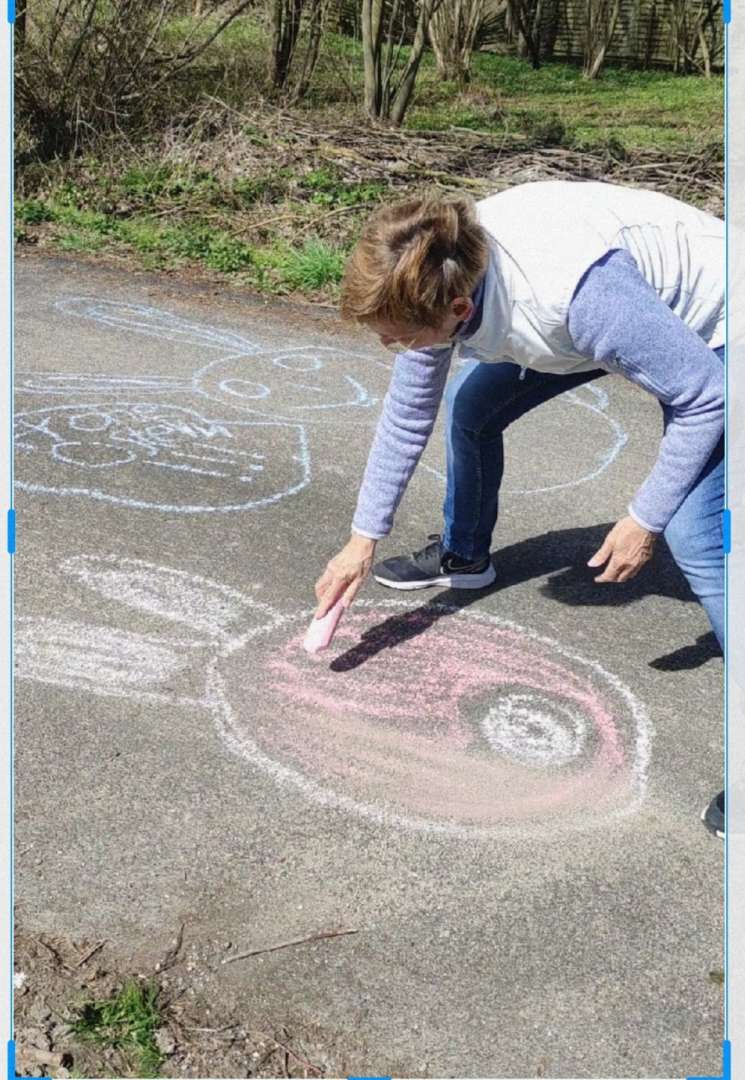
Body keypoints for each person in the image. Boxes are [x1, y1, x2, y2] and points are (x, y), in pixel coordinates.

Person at [312, 180, 725, 838]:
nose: (390, 348)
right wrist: (361, 538)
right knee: (474, 409)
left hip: (711, 327)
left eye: (397, 338)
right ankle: (463, 557)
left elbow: (704, 392)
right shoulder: (443, 272)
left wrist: (644, 516)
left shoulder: (576, 298)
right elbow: (406, 415)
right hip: (595, 321)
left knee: (698, 539)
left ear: (455, 307)